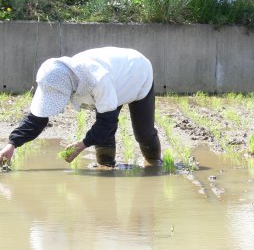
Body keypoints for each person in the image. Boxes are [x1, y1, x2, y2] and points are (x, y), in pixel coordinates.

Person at [0, 47, 161, 167]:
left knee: (143, 134)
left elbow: (107, 123)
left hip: (136, 74)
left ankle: (154, 163)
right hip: (113, 79)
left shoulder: (97, 80)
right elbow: (37, 119)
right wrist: (12, 144)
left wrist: (82, 145)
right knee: (103, 136)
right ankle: (106, 168)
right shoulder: (55, 77)